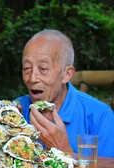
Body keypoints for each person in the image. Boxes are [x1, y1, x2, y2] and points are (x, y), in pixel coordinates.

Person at [16, 29, 114, 157]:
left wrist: (63, 149)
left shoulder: (101, 116)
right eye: (27, 68)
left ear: (66, 74)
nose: (32, 78)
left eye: (43, 69)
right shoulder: (16, 111)